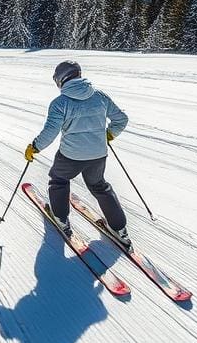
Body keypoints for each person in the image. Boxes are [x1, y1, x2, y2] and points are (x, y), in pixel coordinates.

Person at [25, 60, 132, 248]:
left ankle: (60, 219)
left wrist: (34, 147)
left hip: (71, 156)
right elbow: (121, 119)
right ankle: (119, 229)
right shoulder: (100, 97)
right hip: (98, 155)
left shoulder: (60, 103)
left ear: (61, 79)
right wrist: (109, 133)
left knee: (58, 180)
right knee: (99, 186)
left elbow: (50, 132)